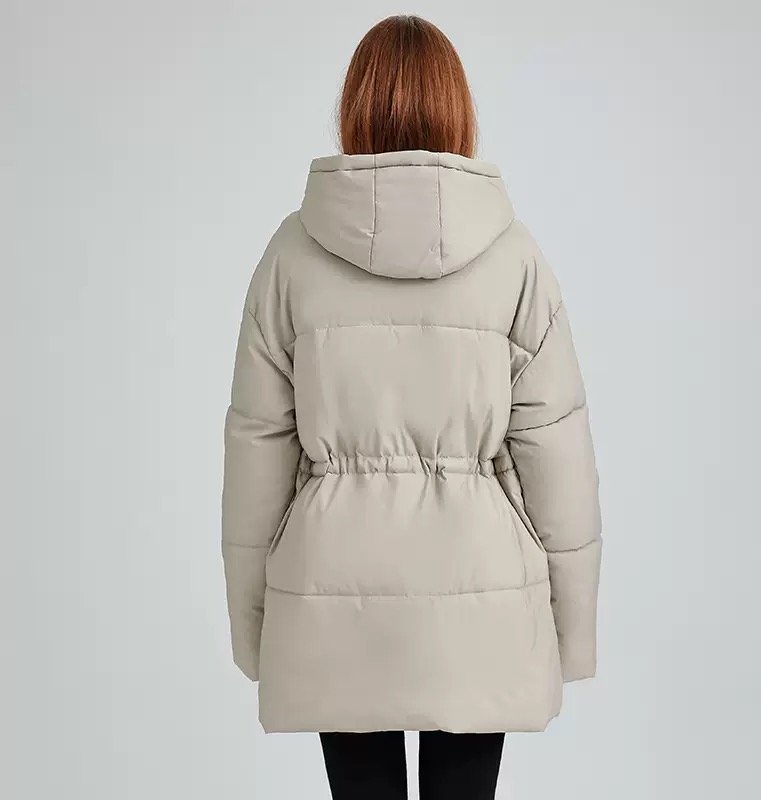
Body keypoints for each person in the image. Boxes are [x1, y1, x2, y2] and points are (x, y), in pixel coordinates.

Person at [221, 14, 602, 800]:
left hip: (334, 597)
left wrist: (257, 627)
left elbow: (257, 452)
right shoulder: (514, 256)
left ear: (353, 108)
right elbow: (556, 453)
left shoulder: (290, 256)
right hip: (482, 600)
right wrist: (571, 631)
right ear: (458, 108)